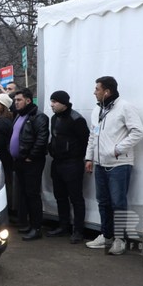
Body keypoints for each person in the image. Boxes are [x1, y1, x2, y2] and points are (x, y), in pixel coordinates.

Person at [84, 76, 143, 255]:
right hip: (100, 163)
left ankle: (120, 239)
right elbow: (93, 135)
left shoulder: (125, 107)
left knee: (118, 202)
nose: (94, 92)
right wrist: (89, 158)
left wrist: (118, 149)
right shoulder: (97, 111)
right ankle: (106, 235)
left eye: (97, 89)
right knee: (103, 202)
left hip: (120, 164)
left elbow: (138, 132)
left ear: (107, 91)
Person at [46, 90, 90, 244]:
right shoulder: (53, 118)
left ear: (64, 103)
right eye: (51, 101)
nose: (51, 104)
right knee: (60, 197)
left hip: (72, 164)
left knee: (76, 198)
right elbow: (55, 137)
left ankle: (78, 231)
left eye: (55, 102)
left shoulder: (76, 119)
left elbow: (86, 141)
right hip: (57, 163)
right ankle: (63, 226)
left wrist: (79, 157)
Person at [10, 87, 50, 241]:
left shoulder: (38, 117)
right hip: (19, 161)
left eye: (19, 100)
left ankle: (36, 228)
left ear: (28, 100)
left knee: (32, 195)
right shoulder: (19, 116)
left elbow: (42, 139)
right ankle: (28, 224)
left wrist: (31, 156)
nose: (16, 103)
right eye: (15, 100)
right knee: (25, 194)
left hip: (31, 163)